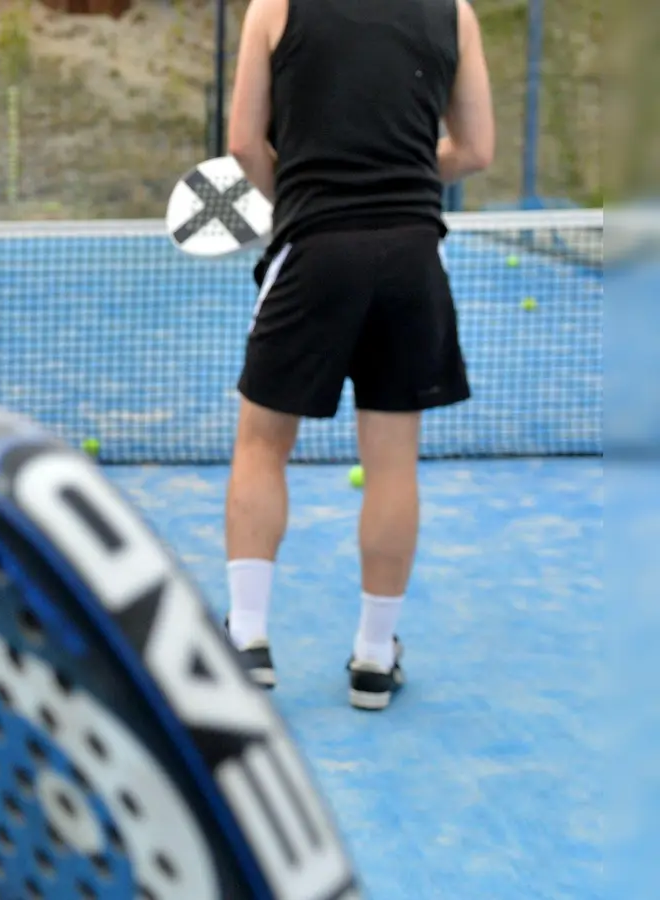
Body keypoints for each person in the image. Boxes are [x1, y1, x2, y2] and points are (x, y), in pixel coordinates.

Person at [222, 0, 494, 709]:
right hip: (412, 256)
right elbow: (475, 152)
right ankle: (375, 659)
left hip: (315, 252)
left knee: (260, 445)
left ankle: (247, 642)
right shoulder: (454, 13)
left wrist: (309, 193)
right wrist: (395, 171)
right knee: (393, 461)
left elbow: (246, 146)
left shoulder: (273, 8)